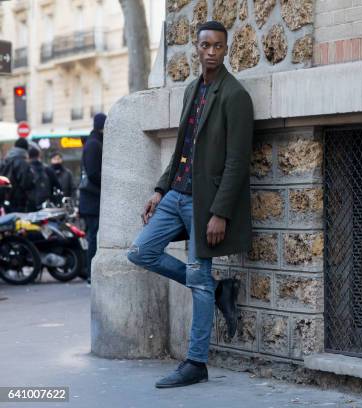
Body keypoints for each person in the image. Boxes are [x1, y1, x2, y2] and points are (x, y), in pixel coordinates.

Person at [127, 20, 254, 389]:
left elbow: (237, 160)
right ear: (195, 48)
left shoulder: (235, 95)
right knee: (140, 251)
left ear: (226, 49)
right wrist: (159, 189)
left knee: (197, 278)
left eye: (217, 46)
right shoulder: (191, 90)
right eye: (204, 45)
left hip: (205, 204)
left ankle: (196, 362)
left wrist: (220, 212)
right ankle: (217, 289)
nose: (210, 51)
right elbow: (184, 147)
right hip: (176, 195)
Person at [79, 113, 106, 284]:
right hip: (92, 200)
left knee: (94, 237)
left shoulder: (94, 142)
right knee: (93, 237)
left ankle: (91, 273)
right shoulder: (94, 144)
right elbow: (94, 173)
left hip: (91, 199)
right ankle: (91, 274)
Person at [0, 138, 34, 213]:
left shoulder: (5, 160)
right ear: (26, 149)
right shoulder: (22, 162)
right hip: (18, 202)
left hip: (5, 199)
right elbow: (26, 183)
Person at [26, 147, 63, 211]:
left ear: (28, 156)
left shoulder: (26, 169)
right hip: (46, 205)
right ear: (39, 156)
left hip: (30, 205)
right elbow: (58, 186)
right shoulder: (47, 169)